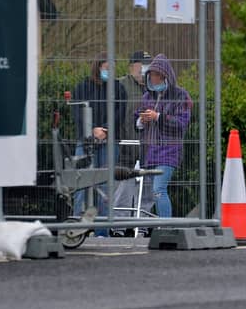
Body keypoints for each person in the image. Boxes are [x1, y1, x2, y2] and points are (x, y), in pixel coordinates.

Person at [71, 52, 127, 236]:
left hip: (109, 141)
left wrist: (105, 130)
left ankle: (103, 232)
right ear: (98, 67)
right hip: (86, 141)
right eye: (106, 68)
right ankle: (76, 230)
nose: (110, 71)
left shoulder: (119, 89)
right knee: (81, 185)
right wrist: (92, 130)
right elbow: (77, 112)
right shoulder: (82, 87)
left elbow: (120, 113)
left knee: (105, 187)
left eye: (112, 68)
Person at [135, 54, 192, 218]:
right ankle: (159, 226)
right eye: (151, 75)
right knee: (153, 194)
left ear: (166, 76)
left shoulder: (181, 96)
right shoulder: (146, 96)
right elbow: (135, 119)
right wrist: (141, 120)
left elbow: (182, 123)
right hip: (149, 152)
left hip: (169, 151)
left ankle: (166, 226)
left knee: (159, 189)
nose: (154, 79)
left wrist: (158, 117)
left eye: (157, 76)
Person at [111, 50, 154, 237]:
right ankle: (118, 228)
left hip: (148, 148)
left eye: (148, 64)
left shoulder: (153, 88)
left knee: (147, 189)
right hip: (124, 147)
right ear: (131, 66)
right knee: (123, 189)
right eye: (141, 64)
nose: (145, 69)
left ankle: (142, 227)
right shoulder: (120, 85)